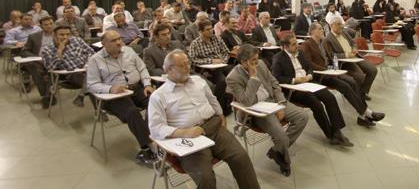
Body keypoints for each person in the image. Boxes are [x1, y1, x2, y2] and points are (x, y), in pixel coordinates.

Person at [148, 50, 260, 189]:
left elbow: (212, 100)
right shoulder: (159, 96)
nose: (188, 67)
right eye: (182, 65)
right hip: (188, 138)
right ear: (169, 69)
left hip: (213, 127)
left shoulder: (198, 81)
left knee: (241, 157)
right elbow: (155, 128)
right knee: (205, 178)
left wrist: (220, 114)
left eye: (188, 63)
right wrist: (185, 132)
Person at [226, 44, 308, 176]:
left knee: (302, 116)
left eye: (257, 58)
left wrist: (280, 103)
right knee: (281, 137)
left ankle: (276, 150)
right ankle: (284, 161)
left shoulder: (261, 64)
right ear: (243, 62)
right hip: (257, 110)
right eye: (253, 60)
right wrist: (253, 78)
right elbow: (247, 101)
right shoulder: (233, 77)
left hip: (273, 101)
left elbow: (274, 83)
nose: (257, 62)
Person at [86, 29, 157, 167]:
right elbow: (91, 85)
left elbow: (142, 68)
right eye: (113, 40)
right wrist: (110, 89)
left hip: (136, 88)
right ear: (103, 44)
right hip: (114, 95)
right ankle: (148, 147)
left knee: (156, 101)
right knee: (132, 112)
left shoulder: (129, 51)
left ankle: (152, 135)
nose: (119, 42)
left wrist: (147, 84)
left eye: (119, 39)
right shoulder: (95, 60)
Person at [272, 34, 352, 146]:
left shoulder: (300, 53)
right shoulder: (278, 58)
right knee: (317, 104)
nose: (297, 46)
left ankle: (337, 131)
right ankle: (330, 135)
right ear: (285, 46)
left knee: (330, 97)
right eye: (293, 44)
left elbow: (309, 67)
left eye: (297, 43)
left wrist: (309, 75)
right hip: (294, 89)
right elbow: (276, 78)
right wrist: (295, 80)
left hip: (308, 83)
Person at [301, 22, 385, 127]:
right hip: (321, 74)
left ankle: (364, 115)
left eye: (322, 28)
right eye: (320, 29)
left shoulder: (322, 42)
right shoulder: (307, 45)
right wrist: (326, 69)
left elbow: (331, 57)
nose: (323, 30)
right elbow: (309, 63)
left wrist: (334, 68)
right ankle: (367, 114)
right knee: (347, 84)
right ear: (313, 31)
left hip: (330, 70)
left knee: (352, 82)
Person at [40, 25, 95, 107]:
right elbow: (50, 68)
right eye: (61, 35)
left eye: (68, 34)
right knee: (94, 83)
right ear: (54, 35)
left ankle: (81, 96)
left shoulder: (77, 40)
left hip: (88, 69)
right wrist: (60, 51)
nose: (65, 37)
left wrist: (87, 63)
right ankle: (98, 109)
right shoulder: (47, 50)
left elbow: (91, 52)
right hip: (71, 74)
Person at [323, 18, 378, 100]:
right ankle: (357, 94)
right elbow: (332, 56)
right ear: (332, 26)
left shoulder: (344, 32)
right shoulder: (327, 39)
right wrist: (346, 55)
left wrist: (354, 48)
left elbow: (353, 43)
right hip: (345, 62)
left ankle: (362, 92)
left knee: (373, 70)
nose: (341, 26)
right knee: (360, 76)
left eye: (341, 24)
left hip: (355, 57)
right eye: (338, 24)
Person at [188, 20, 234, 115]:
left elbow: (226, 52)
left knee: (235, 73)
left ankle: (230, 103)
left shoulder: (217, 38)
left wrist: (223, 60)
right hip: (207, 69)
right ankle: (220, 108)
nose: (211, 31)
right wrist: (211, 61)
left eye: (211, 28)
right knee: (222, 81)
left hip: (221, 65)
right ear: (200, 31)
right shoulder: (195, 43)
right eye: (207, 29)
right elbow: (192, 59)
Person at [22, 16, 54, 107]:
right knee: (33, 66)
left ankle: (47, 95)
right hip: (39, 61)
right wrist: (38, 58)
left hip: (55, 60)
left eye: (51, 23)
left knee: (51, 69)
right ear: (41, 26)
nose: (49, 26)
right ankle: (46, 94)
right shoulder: (34, 36)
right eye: (46, 24)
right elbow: (24, 51)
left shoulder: (60, 34)